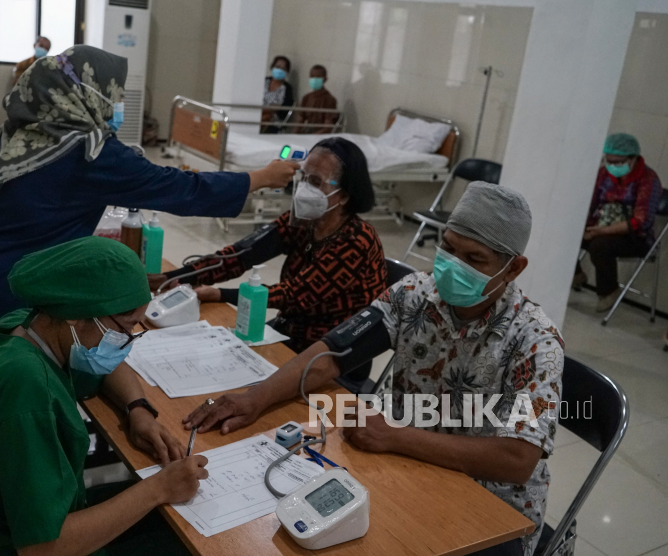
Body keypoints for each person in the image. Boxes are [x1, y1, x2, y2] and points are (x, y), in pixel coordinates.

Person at [184, 182, 563, 556]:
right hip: (401, 469)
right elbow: (330, 356)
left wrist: (395, 437)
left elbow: (517, 459)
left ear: (513, 268)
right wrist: (254, 398)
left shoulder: (534, 341)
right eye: (447, 248)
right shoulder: (415, 294)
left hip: (487, 507)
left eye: (475, 259)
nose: (454, 266)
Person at [0, 45, 298, 384]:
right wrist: (260, 177)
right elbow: (181, 189)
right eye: (112, 96)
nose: (115, 107)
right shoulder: (88, 154)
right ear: (89, 94)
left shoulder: (27, 132)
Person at [0, 236, 207, 556]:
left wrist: (138, 409)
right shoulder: (26, 388)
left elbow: (108, 368)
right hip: (5, 544)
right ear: (77, 314)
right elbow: (43, 549)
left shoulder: (26, 329)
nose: (125, 341)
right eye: (124, 328)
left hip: (0, 519)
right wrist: (159, 489)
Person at [150, 138, 387, 376]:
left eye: (315, 182)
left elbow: (294, 295)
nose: (304, 189)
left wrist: (219, 294)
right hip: (288, 334)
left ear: (344, 195)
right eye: (303, 178)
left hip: (333, 357)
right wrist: (172, 277)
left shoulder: (357, 240)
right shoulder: (303, 222)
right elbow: (241, 255)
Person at [575, 133, 662, 312]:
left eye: (618, 162)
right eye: (609, 161)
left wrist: (600, 231)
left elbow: (641, 221)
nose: (613, 166)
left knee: (600, 245)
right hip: (600, 226)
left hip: (634, 237)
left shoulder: (648, 180)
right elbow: (590, 202)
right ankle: (575, 275)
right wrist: (581, 224)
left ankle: (609, 291)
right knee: (568, 232)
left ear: (633, 158)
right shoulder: (604, 174)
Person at [294, 65, 337, 134]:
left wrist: (311, 138)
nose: (314, 79)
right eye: (312, 76)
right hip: (306, 133)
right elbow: (300, 120)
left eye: (318, 77)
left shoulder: (329, 99)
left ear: (325, 79)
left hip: (320, 136)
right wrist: (293, 136)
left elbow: (327, 128)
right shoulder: (306, 98)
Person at [262, 55, 294, 134]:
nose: (279, 70)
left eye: (283, 68)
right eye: (277, 67)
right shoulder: (264, 81)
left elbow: (284, 108)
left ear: (287, 72)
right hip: (257, 112)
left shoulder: (287, 88)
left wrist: (268, 110)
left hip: (274, 118)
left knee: (266, 117)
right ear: (272, 67)